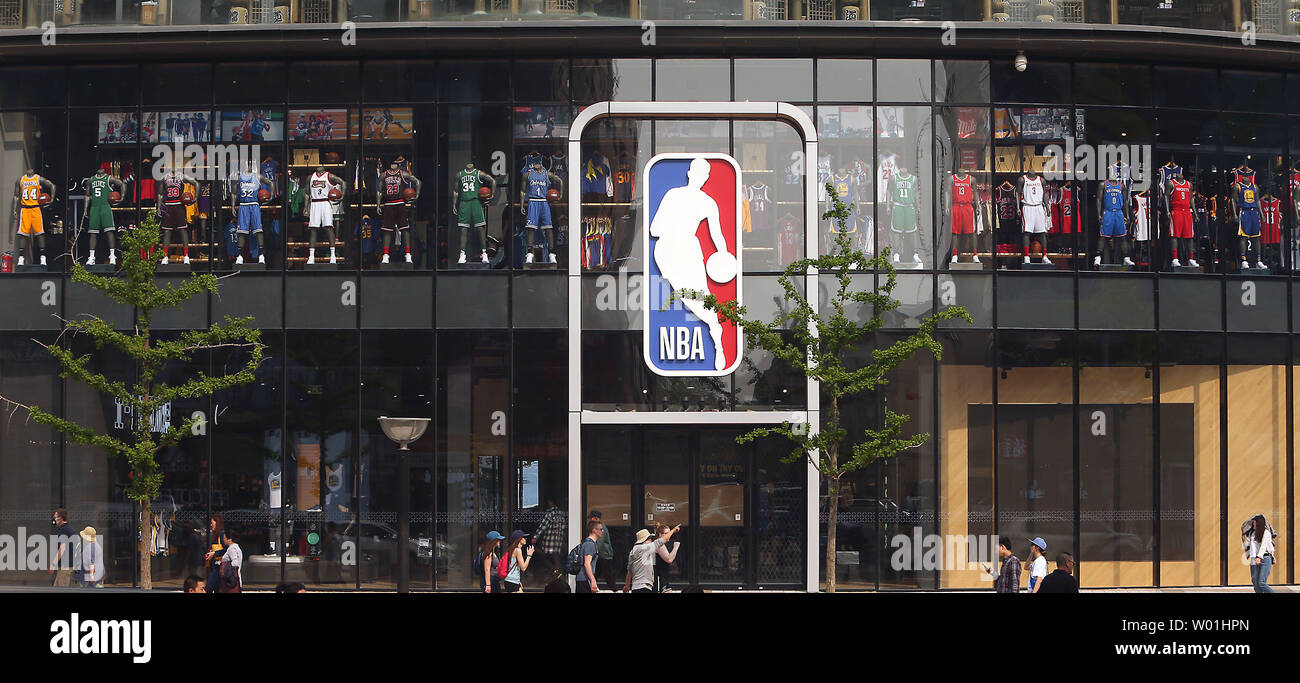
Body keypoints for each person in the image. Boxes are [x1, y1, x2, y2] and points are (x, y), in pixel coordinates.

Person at [531, 498, 567, 581]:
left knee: (543, 557)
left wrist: (535, 537)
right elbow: (564, 528)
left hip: (549, 542)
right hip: (558, 543)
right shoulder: (561, 514)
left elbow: (543, 526)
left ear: (550, 502)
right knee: (555, 560)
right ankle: (556, 575)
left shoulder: (550, 513)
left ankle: (554, 574)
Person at [1243, 513, 1277, 593]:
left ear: (1259, 524)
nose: (1253, 524)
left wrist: (1259, 557)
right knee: (1255, 582)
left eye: (1254, 522)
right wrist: (1245, 541)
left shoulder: (1266, 533)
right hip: (1253, 559)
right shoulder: (1252, 533)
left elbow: (1264, 546)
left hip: (1264, 558)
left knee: (1261, 583)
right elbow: (1249, 546)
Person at [623, 529, 659, 593]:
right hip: (644, 587)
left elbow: (629, 571)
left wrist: (627, 586)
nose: (651, 541)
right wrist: (672, 531)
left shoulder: (633, 551)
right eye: (650, 539)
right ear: (645, 540)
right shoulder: (644, 548)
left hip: (636, 587)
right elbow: (661, 541)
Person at [589, 510, 616, 590]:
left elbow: (599, 542)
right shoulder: (600, 527)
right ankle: (594, 587)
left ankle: (614, 589)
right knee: (597, 573)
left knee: (607, 574)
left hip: (604, 555)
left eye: (592, 518)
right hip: (601, 555)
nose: (590, 520)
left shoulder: (601, 528)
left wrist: (593, 552)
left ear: (596, 518)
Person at [50, 508, 77, 587]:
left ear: (61, 518)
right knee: (57, 587)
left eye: (55, 517)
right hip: (65, 566)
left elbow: (62, 549)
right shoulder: (68, 529)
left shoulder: (64, 530)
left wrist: (53, 564)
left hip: (65, 567)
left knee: (61, 589)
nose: (54, 519)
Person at [575, 520, 603, 593]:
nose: (602, 531)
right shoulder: (590, 544)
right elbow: (587, 563)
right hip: (585, 580)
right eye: (601, 529)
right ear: (594, 530)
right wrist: (593, 580)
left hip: (583, 579)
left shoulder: (587, 542)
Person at [652, 523, 682, 593]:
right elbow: (669, 559)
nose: (669, 535)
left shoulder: (663, 544)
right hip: (659, 577)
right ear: (660, 534)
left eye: (669, 533)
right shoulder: (659, 544)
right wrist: (676, 547)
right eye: (666, 533)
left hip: (664, 576)